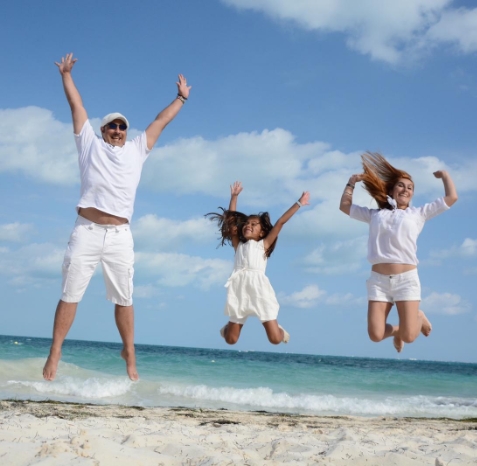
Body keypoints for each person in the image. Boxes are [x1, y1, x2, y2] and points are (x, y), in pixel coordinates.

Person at [43, 53, 191, 381]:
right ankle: (55, 351)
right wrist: (66, 75)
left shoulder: (137, 150)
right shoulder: (89, 145)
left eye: (123, 126)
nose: (119, 130)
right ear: (103, 129)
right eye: (113, 125)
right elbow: (76, 105)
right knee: (70, 293)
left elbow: (160, 121)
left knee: (125, 297)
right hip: (87, 231)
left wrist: (181, 98)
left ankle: (130, 351)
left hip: (121, 236)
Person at [339, 152, 458, 352]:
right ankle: (396, 331)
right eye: (401, 185)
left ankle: (417, 317)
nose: (406, 189)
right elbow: (345, 207)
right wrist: (351, 183)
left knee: (410, 337)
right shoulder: (376, 215)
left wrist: (445, 175)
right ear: (392, 189)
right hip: (379, 281)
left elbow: (451, 197)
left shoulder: (418, 214)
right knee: (375, 335)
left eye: (410, 187)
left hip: (406, 280)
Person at [207, 182, 310, 345]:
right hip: (239, 289)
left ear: (262, 232)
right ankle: (227, 328)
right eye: (247, 223)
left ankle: (280, 330)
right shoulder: (238, 245)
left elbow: (280, 223)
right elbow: (232, 221)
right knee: (231, 340)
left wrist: (299, 203)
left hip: (259, 289)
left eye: (253, 224)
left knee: (275, 339)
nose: (248, 225)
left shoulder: (264, 245)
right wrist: (234, 197)